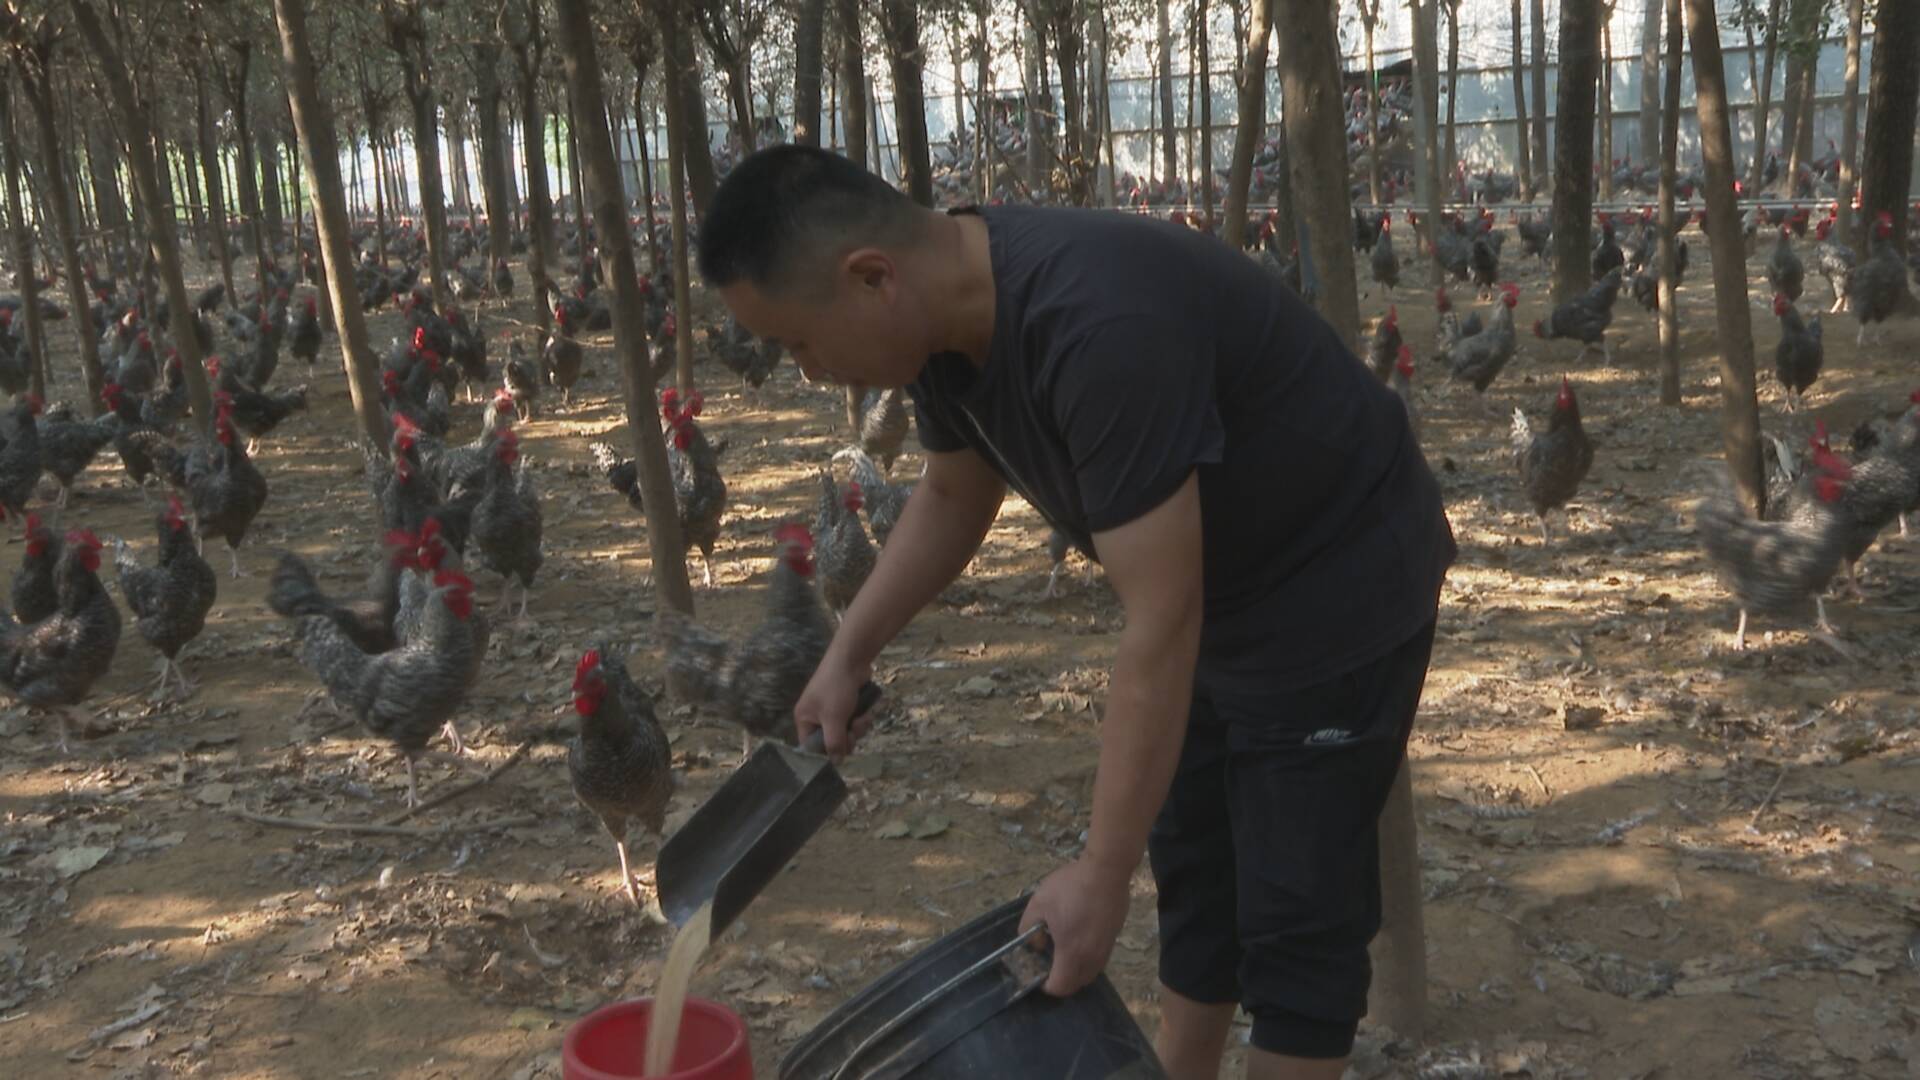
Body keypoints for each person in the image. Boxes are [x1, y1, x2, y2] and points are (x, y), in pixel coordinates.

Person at [695, 145, 1454, 1080]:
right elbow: (950, 495)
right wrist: (847, 651)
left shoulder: (1100, 327)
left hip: (1333, 581)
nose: (805, 372)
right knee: (1198, 870)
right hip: (1219, 589)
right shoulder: (941, 328)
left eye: (798, 343)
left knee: (1297, 918)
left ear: (871, 279)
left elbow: (1160, 621)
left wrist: (1099, 871)